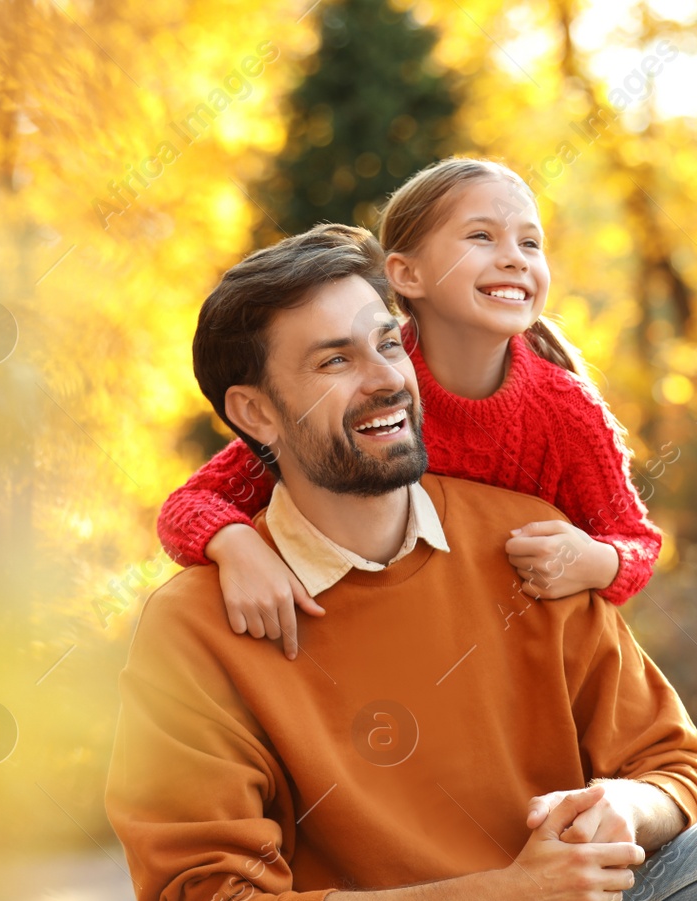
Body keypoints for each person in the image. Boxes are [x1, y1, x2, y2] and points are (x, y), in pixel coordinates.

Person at [104, 222, 697, 901]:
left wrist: (621, 808)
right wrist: (498, 895)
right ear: (255, 412)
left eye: (389, 343)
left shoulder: (528, 545)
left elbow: (683, 772)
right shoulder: (195, 624)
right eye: (334, 360)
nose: (387, 379)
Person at [155, 157, 662, 660]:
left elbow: (635, 539)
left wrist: (599, 562)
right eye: (481, 237)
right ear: (406, 273)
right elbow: (189, 505)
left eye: (530, 242)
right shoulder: (365, 392)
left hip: (508, 650)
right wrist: (238, 546)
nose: (515, 258)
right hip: (371, 636)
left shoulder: (566, 412)